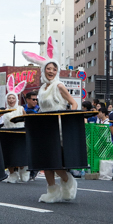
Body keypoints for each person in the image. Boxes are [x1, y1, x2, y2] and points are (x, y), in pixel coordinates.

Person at [22, 40, 79, 203]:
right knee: (44, 160)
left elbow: (73, 103)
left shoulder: (59, 85)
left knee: (54, 160)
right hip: (43, 126)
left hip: (57, 126)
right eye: (48, 68)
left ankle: (67, 180)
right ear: (43, 70)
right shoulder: (42, 88)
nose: (51, 71)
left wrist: (68, 121)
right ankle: (52, 191)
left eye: (54, 69)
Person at [0, 79, 27, 183]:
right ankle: (12, 174)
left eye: (13, 98)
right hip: (8, 134)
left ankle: (23, 169)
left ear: (16, 99)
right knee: (9, 154)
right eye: (9, 98)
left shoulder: (21, 109)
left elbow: (26, 119)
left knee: (20, 153)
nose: (11, 100)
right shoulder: (4, 111)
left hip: (20, 134)